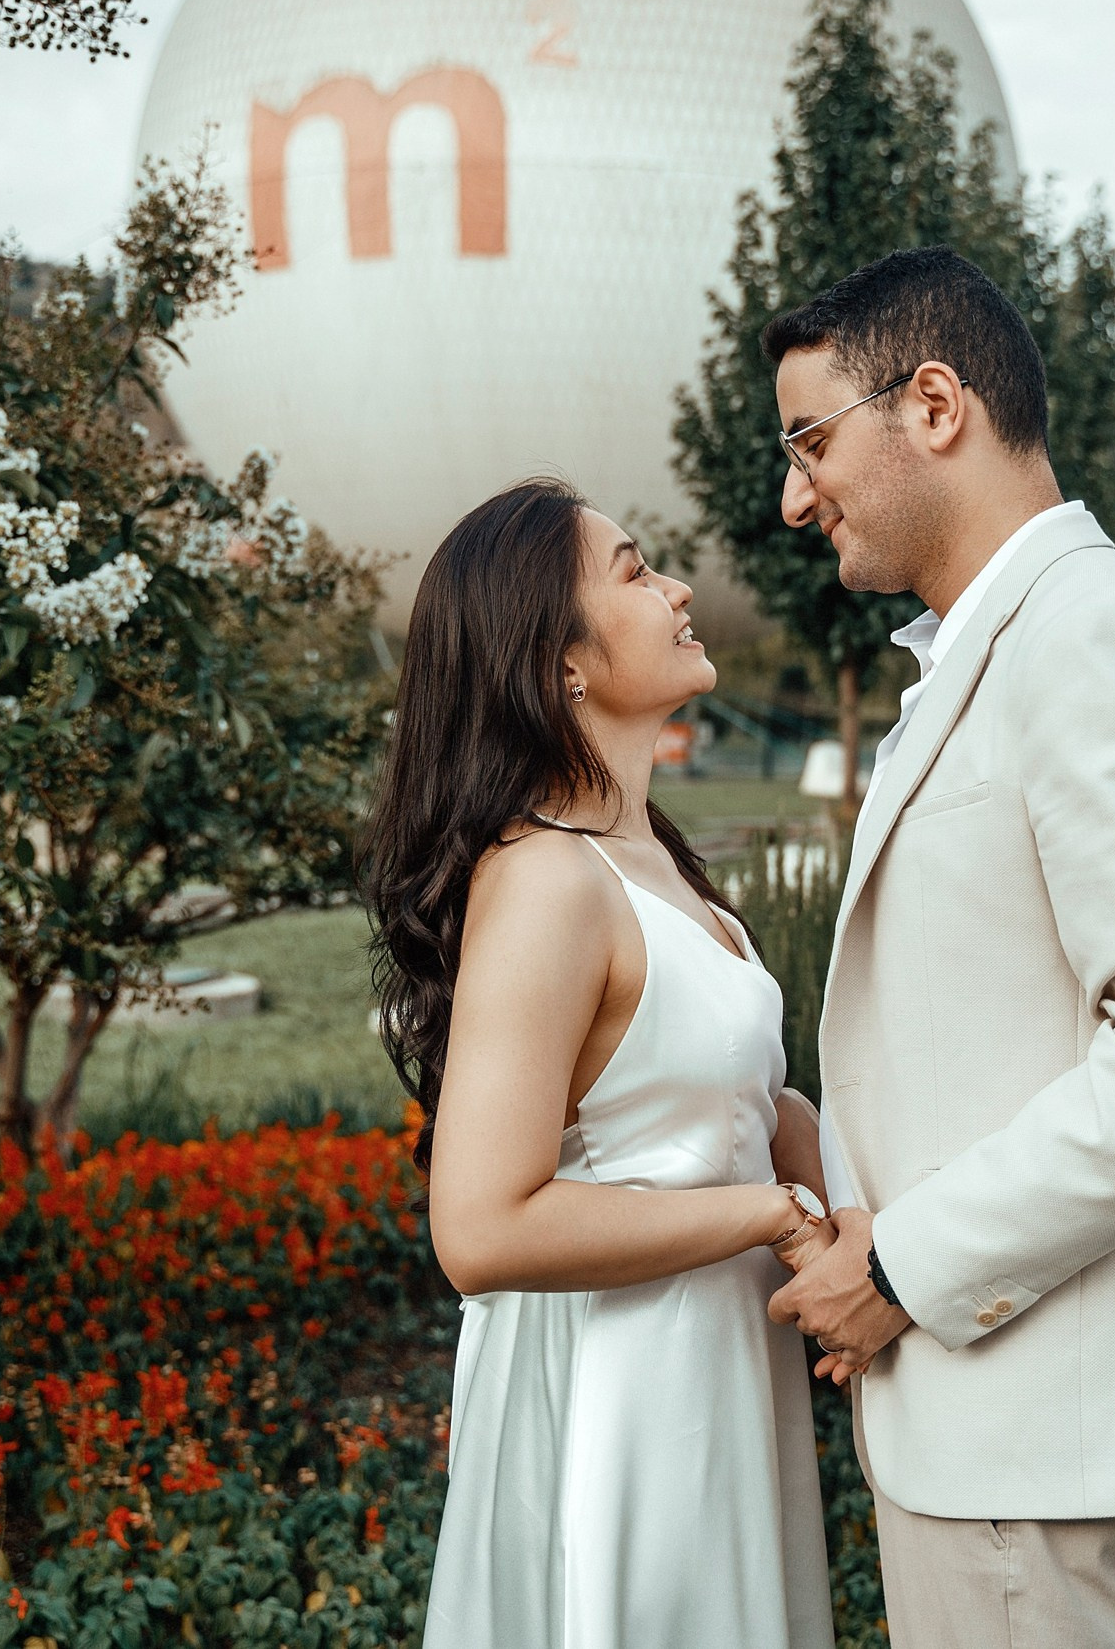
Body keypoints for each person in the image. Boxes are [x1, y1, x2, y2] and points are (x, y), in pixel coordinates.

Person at [763, 246, 1115, 1648]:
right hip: (987, 1421)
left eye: (810, 442)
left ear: (934, 405)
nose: (794, 496)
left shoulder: (1091, 634)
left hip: (1030, 1427)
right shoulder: (988, 648)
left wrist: (901, 1266)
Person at [364, 480, 835, 1649]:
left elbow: (704, 1100)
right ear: (559, 662)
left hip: (715, 1357)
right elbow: (481, 1228)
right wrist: (769, 1212)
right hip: (625, 1389)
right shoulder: (545, 878)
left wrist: (820, 1165)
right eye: (634, 570)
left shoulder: (646, 851)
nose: (676, 589)